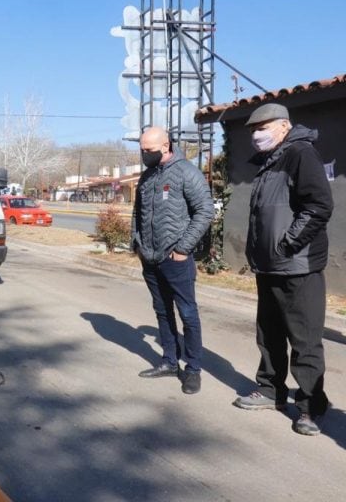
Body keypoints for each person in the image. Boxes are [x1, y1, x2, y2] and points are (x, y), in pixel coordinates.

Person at [232, 103, 333, 436]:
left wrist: (288, 244)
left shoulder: (300, 154)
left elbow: (318, 206)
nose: (257, 134)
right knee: (269, 334)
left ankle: (309, 406)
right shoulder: (269, 161)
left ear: (285, 126)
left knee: (304, 340)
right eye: (253, 130)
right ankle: (271, 390)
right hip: (270, 266)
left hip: (298, 265)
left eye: (263, 127)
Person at [131, 126, 213, 395]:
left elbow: (205, 211)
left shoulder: (186, 172)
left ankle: (192, 369)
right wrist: (137, 243)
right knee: (162, 311)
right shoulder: (147, 176)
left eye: (149, 150)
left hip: (175, 258)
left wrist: (183, 248)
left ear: (165, 146)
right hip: (151, 258)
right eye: (142, 149)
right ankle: (169, 361)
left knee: (187, 313)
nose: (144, 154)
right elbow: (137, 212)